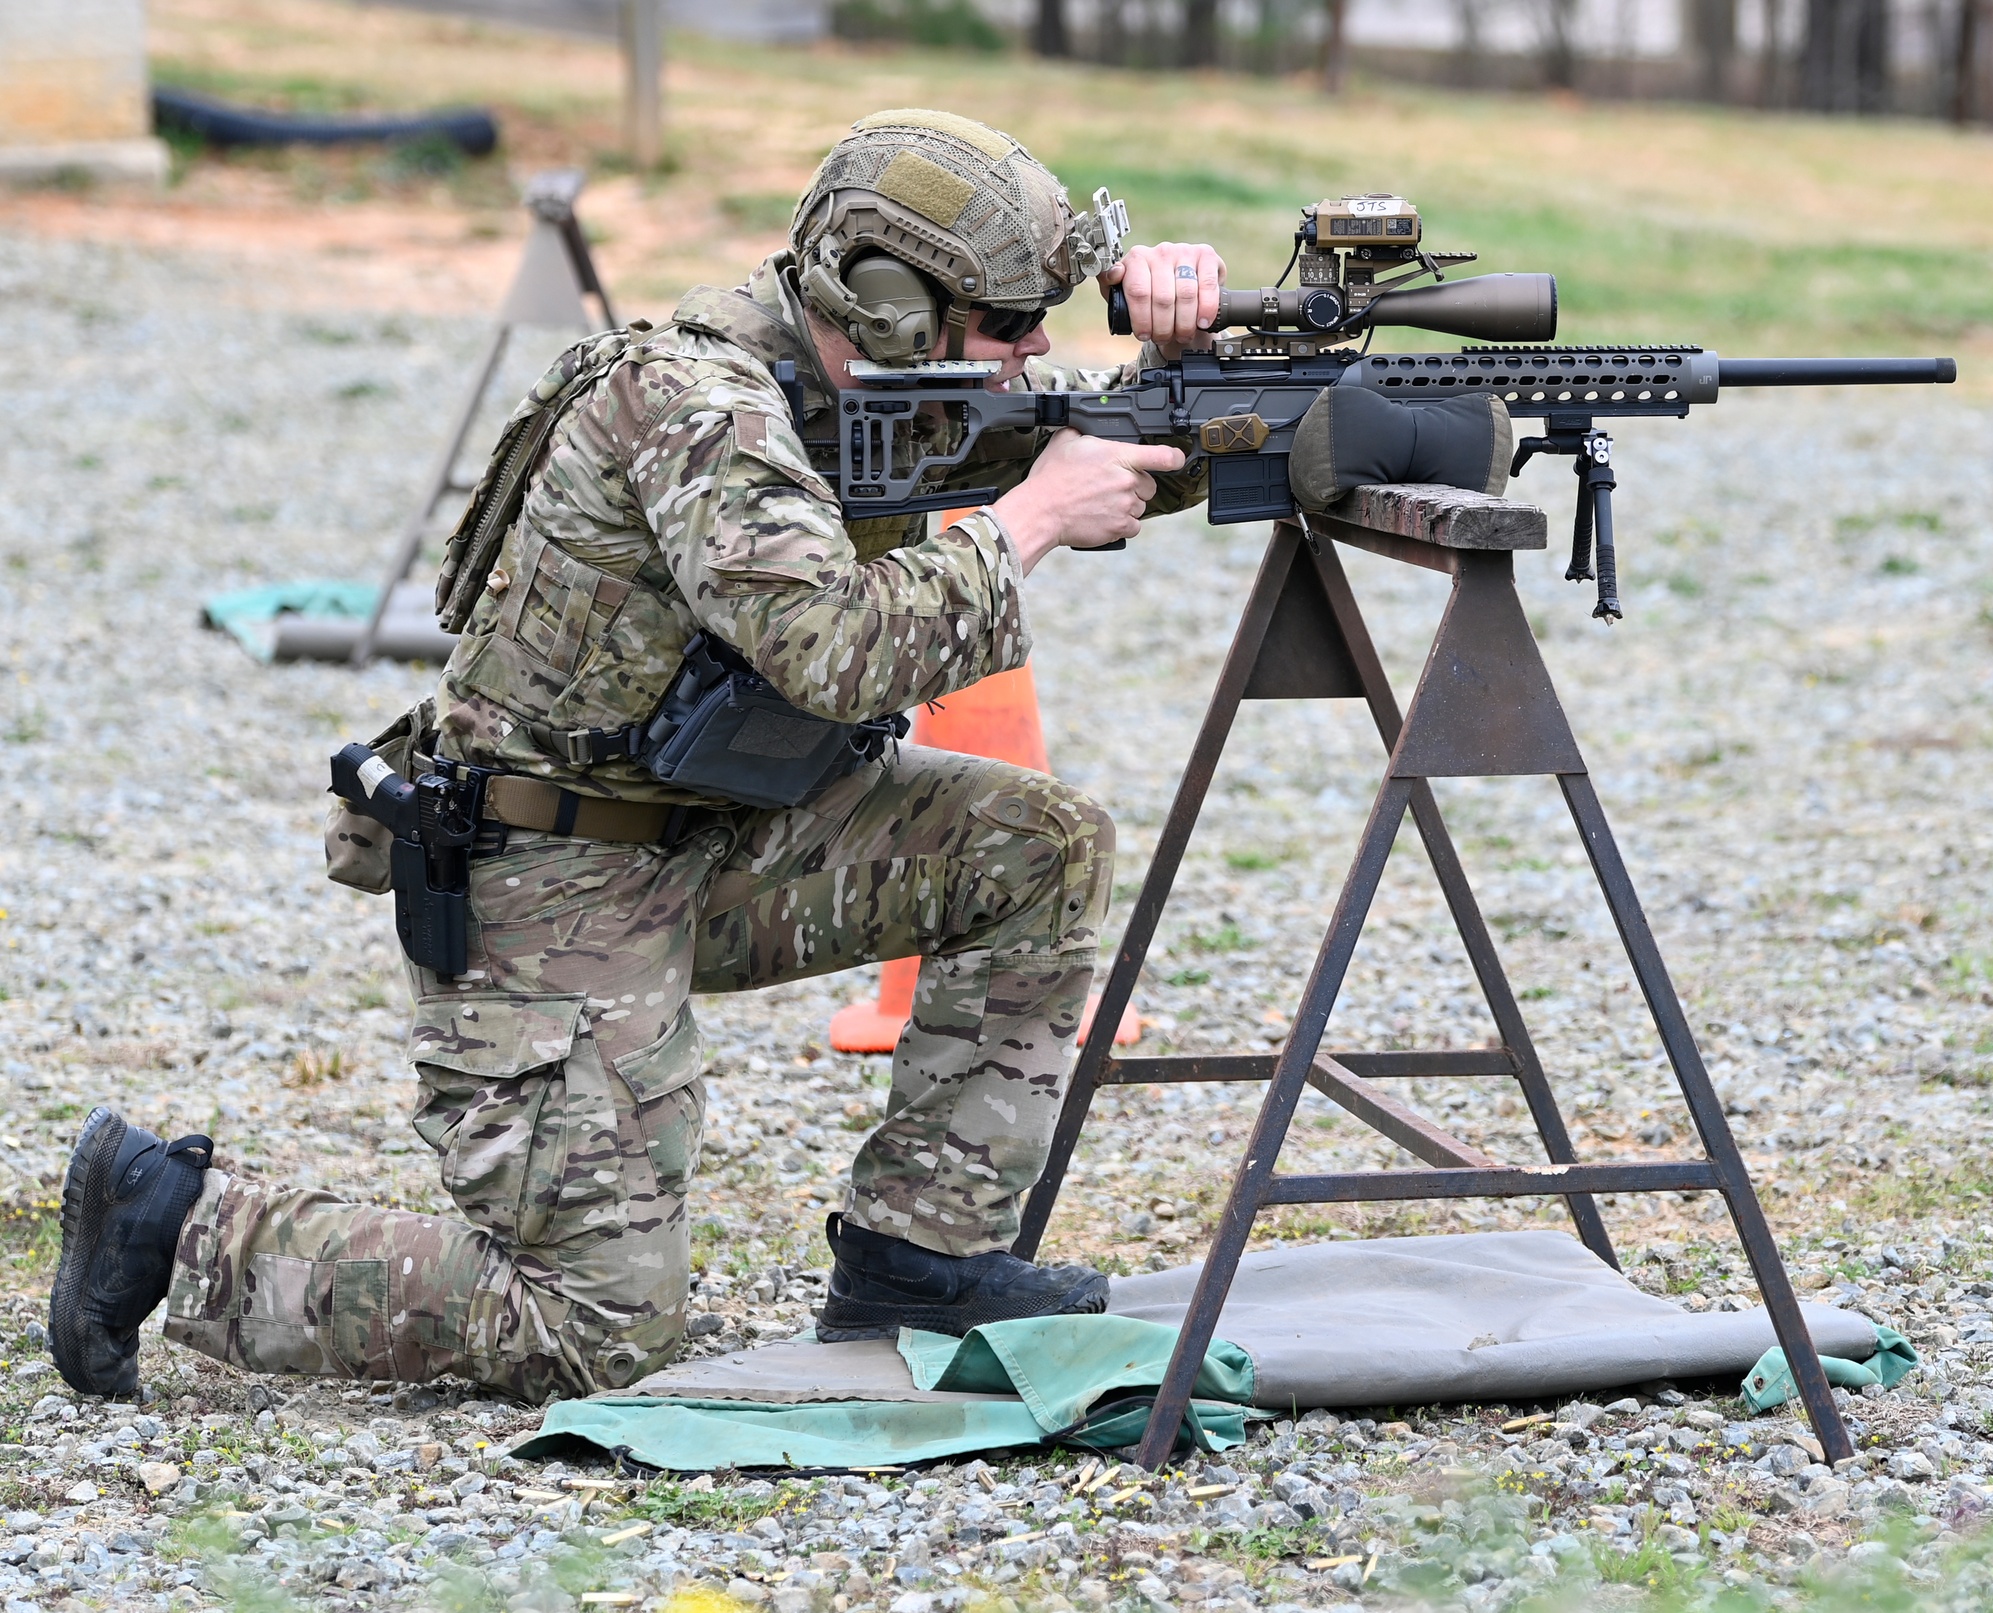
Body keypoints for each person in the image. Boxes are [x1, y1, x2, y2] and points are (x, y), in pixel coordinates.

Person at [51, 109, 1226, 1403]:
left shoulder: (862, 385)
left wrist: (1188, 360)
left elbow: (1080, 447)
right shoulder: (702, 406)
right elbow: (836, 648)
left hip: (707, 836)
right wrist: (1029, 524)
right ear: (894, 305)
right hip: (547, 883)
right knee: (600, 1326)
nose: (1034, 351)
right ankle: (176, 1223)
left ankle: (922, 1255)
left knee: (1038, 848)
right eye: (1011, 324)